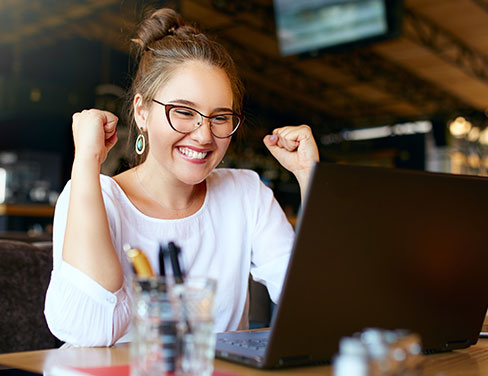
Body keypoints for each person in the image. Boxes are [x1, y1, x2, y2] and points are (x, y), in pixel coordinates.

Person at [44, 8, 319, 346]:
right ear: (142, 111)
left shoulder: (246, 193)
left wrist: (309, 176)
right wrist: (86, 160)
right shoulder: (93, 195)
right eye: (184, 112)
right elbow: (91, 332)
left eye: (220, 117)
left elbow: (315, 304)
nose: (204, 135)